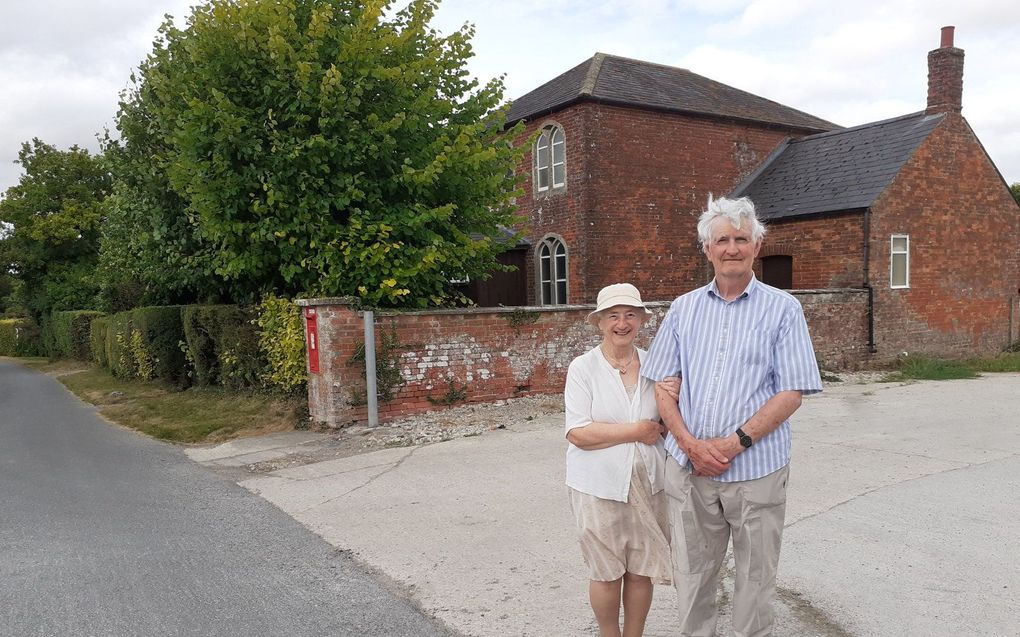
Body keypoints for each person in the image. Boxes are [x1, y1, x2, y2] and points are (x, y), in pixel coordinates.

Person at [642, 196, 822, 637]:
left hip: (756, 469)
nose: (732, 248)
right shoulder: (684, 309)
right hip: (689, 470)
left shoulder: (783, 309)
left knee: (755, 577)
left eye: (742, 238)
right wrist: (689, 444)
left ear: (757, 246)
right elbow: (663, 383)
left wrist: (731, 443)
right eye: (722, 239)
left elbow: (792, 391)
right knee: (692, 574)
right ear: (707, 249)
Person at [564, 283, 674, 637]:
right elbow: (578, 433)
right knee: (606, 572)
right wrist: (638, 430)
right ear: (599, 322)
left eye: (630, 314)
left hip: (649, 484)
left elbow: (668, 422)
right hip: (598, 487)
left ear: (641, 319)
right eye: (613, 315)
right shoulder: (583, 368)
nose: (622, 323)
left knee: (641, 569)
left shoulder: (656, 366)